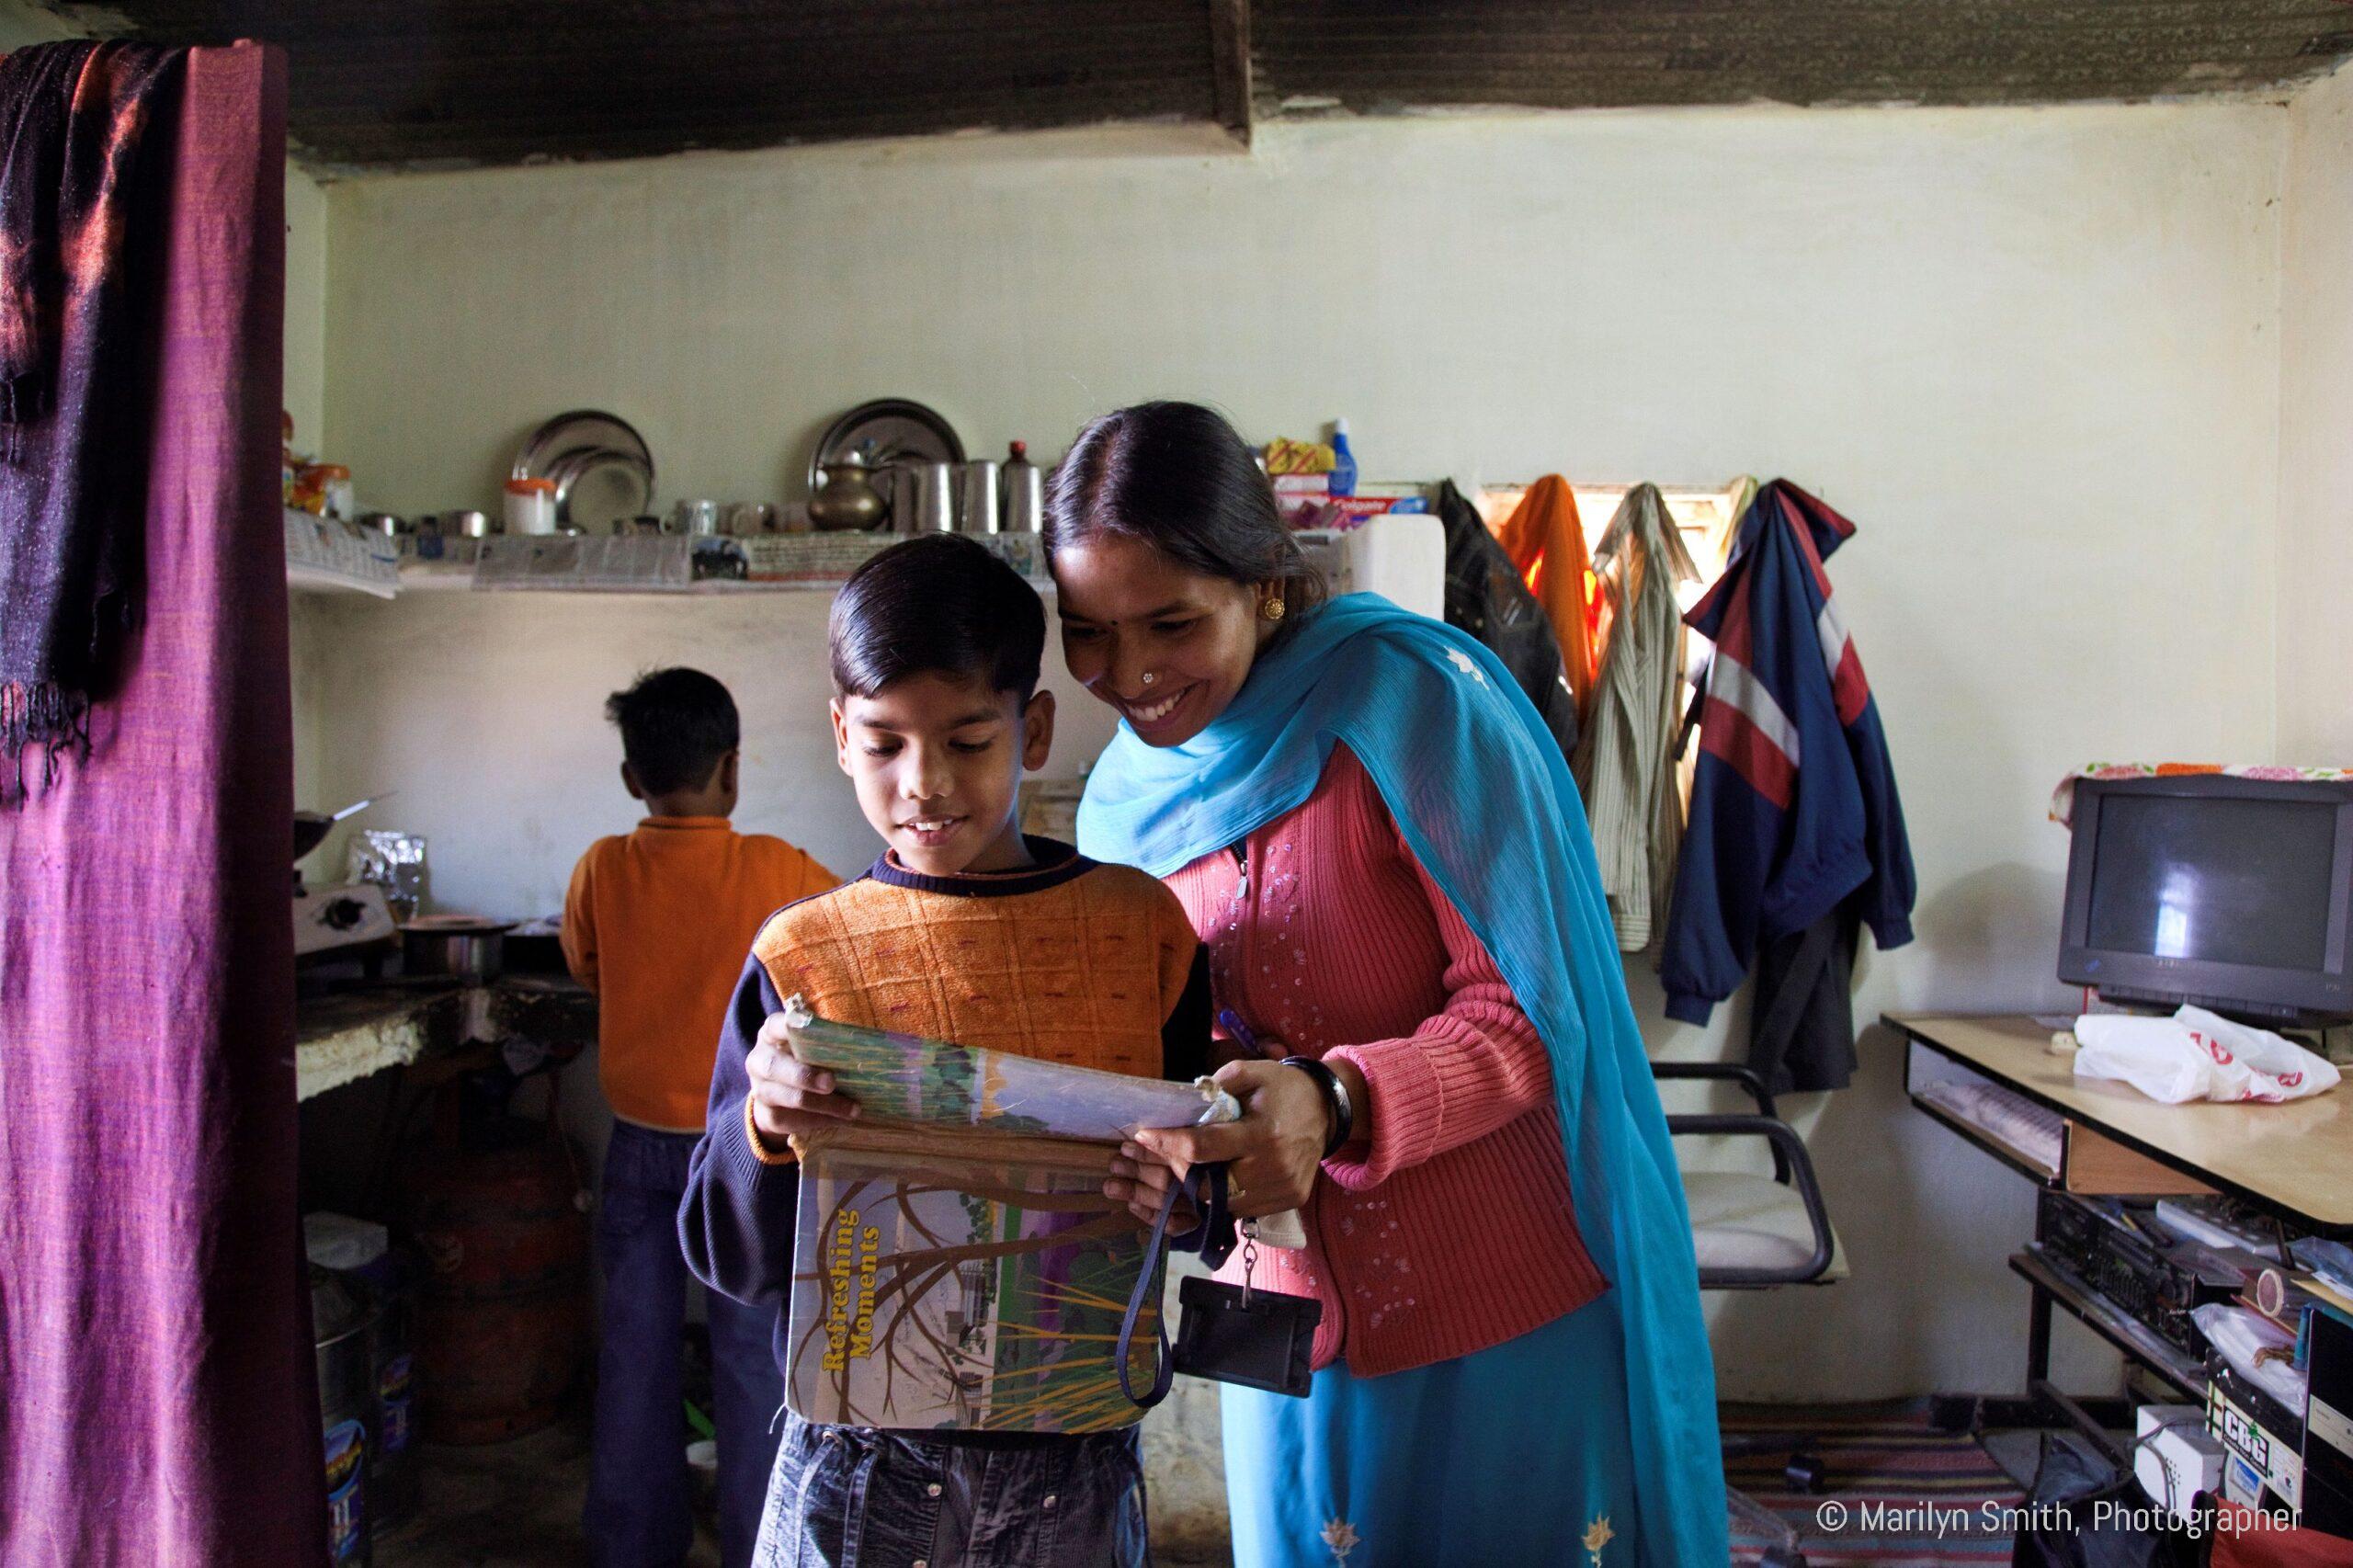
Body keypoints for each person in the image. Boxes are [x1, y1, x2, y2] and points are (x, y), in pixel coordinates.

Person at [1048, 403, 1727, 1568]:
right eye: (1089, 632)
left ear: (1262, 584)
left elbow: (1527, 1010)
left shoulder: (1408, 703)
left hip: (1496, 1296)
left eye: (1170, 622)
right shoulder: (1125, 800)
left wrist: (1338, 1100)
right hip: (1280, 1313)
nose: (1132, 674)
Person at [677, 534, 1210, 1568]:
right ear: (840, 734)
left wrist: (1183, 1196)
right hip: (854, 1466)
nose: (924, 783)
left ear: (1036, 726)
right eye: (884, 743)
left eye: (969, 739)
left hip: (1076, 1459)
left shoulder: (1141, 935)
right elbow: (727, 1253)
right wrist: (761, 1126)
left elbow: (1202, 1210)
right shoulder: (801, 959)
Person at [563, 667, 836, 1568]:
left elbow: (586, 966)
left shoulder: (603, 865)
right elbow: (847, 947)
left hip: (639, 1141)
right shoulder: (776, 867)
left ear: (632, 778)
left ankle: (630, 1544)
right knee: (752, 1354)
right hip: (744, 1148)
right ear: (731, 769)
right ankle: (763, 1540)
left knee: (633, 1348)